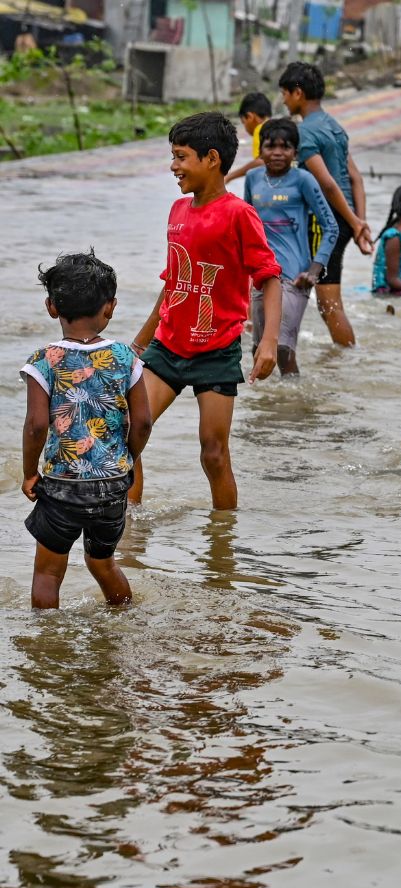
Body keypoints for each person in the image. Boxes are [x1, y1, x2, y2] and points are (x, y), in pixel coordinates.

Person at [130, 111, 283, 510]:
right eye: (173, 156)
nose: (173, 166)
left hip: (216, 351)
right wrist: (139, 342)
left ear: (211, 159)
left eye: (181, 157)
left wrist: (268, 343)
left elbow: (269, 278)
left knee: (213, 453)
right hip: (167, 348)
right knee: (129, 433)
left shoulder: (239, 214)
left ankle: (223, 542)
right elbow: (172, 284)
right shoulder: (177, 212)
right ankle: (128, 527)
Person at [21, 251, 152, 609]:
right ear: (110, 307)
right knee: (103, 562)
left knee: (48, 573)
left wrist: (30, 473)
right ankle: (124, 619)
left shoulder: (42, 361)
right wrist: (126, 458)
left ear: (51, 307)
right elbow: (142, 422)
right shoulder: (126, 358)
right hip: (112, 485)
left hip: (62, 485)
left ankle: (46, 642)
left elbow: (35, 426)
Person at [278, 61, 372, 348]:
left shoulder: (305, 132)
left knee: (329, 304)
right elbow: (354, 178)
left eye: (284, 93)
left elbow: (327, 183)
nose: (283, 100)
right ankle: (342, 360)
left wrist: (356, 224)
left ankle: (347, 359)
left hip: (326, 221)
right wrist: (358, 222)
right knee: (326, 303)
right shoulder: (334, 126)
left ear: (297, 93)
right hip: (344, 218)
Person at [244, 117, 338, 375]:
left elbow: (331, 226)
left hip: (293, 277)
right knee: (257, 350)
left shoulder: (303, 180)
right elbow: (247, 225)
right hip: (262, 275)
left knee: (283, 351)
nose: (276, 153)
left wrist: (314, 271)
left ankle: (294, 408)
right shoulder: (252, 179)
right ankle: (265, 409)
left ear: (295, 152)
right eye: (270, 146)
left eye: (284, 147)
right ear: (260, 150)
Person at [224, 92, 271, 184]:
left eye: (243, 122)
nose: (244, 126)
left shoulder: (260, 129)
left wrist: (229, 176)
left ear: (250, 117)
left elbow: (261, 162)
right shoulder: (278, 127)